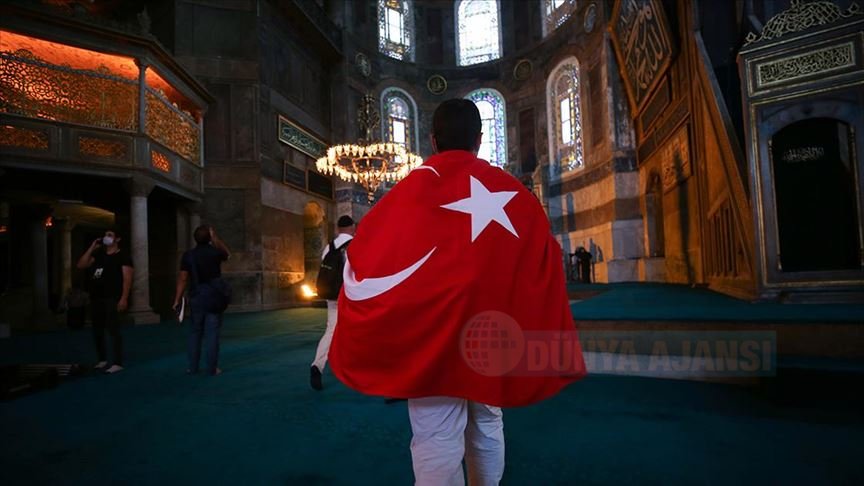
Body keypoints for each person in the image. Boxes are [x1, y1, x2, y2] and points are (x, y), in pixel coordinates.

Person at [329, 99, 586, 485]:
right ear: (479, 140)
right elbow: (545, 259)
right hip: (491, 333)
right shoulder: (514, 193)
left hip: (432, 337)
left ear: (432, 140)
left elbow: (365, 251)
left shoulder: (406, 193)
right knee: (487, 420)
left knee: (435, 434)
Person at [173, 225, 231, 376]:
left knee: (195, 332)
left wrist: (177, 299)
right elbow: (227, 254)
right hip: (213, 296)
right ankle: (212, 368)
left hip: (197, 295)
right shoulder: (215, 252)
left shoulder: (188, 255)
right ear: (209, 238)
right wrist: (215, 238)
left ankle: (192, 367)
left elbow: (183, 278)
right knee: (212, 334)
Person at [76, 229, 133, 374]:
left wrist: (124, 298)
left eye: (110, 235)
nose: (106, 238)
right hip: (96, 297)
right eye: (105, 235)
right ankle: (102, 359)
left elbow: (127, 279)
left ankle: (117, 362)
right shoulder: (99, 255)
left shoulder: (123, 256)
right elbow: (81, 265)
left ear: (117, 239)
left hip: (112, 297)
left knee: (113, 330)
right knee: (97, 330)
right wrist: (91, 248)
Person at [310, 215, 356, 391]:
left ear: (337, 229)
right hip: (351, 296)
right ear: (352, 227)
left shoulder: (329, 247)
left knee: (331, 330)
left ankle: (317, 365)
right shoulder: (356, 245)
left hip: (333, 296)